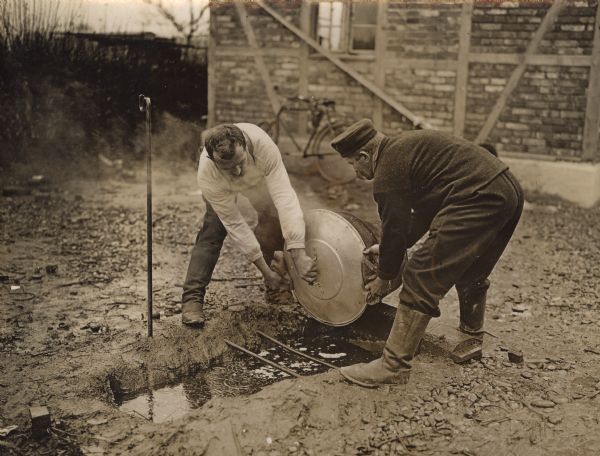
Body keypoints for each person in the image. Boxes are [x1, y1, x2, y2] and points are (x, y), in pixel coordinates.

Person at [330, 119, 523, 387]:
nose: (355, 171)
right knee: (472, 267)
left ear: (364, 155)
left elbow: (394, 229)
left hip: (478, 195)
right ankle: (471, 334)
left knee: (421, 272)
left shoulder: (387, 172)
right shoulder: (404, 149)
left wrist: (385, 275)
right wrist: (387, 249)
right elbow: (422, 213)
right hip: (507, 188)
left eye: (353, 163)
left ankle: (392, 366)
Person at [182, 123, 317, 326]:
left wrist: (298, 252)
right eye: (229, 168)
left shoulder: (263, 146)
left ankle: (276, 287)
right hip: (222, 187)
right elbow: (235, 225)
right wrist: (264, 270)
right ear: (212, 159)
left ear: (245, 146)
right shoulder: (207, 173)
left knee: (272, 220)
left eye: (240, 162)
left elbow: (285, 199)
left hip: (257, 180)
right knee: (212, 232)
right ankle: (192, 299)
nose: (237, 172)